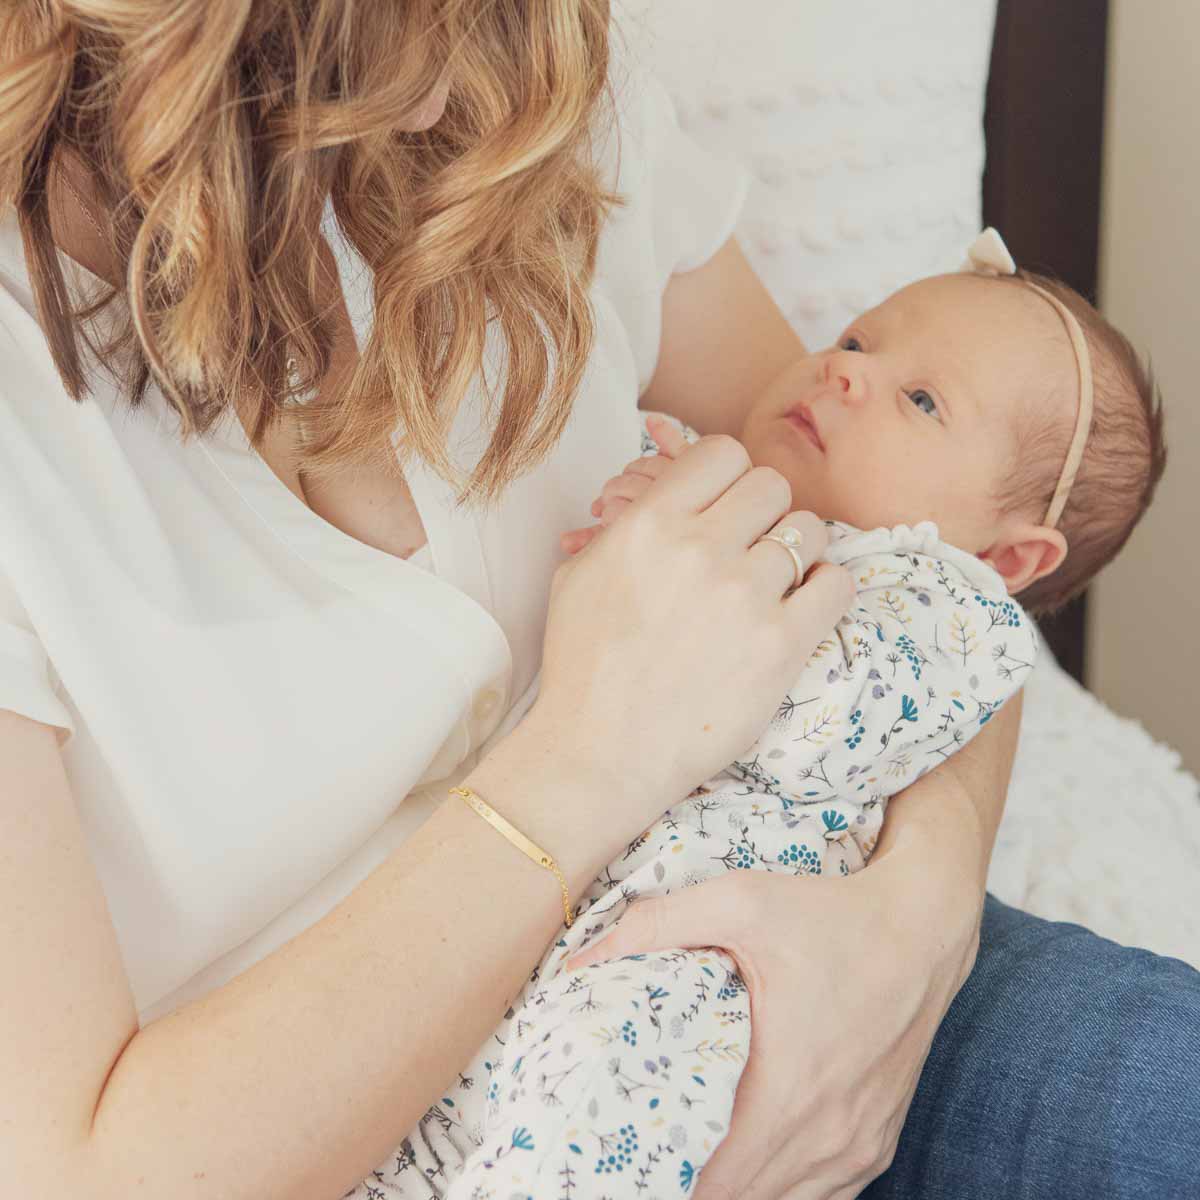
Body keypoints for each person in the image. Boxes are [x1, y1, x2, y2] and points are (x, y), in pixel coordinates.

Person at [0, 8, 1194, 1200]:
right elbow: (78, 1174)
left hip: (788, 972)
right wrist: (587, 760)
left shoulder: (533, 72)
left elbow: (919, 554)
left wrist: (917, 920)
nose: (502, 41)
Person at [354, 228, 1165, 1197]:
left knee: (594, 1117)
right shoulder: (737, 476)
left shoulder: (948, 610)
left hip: (712, 964)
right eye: (860, 342)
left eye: (922, 401)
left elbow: (823, 723)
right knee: (444, 1128)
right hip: (536, 924)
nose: (844, 372)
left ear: (1011, 561)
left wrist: (703, 595)